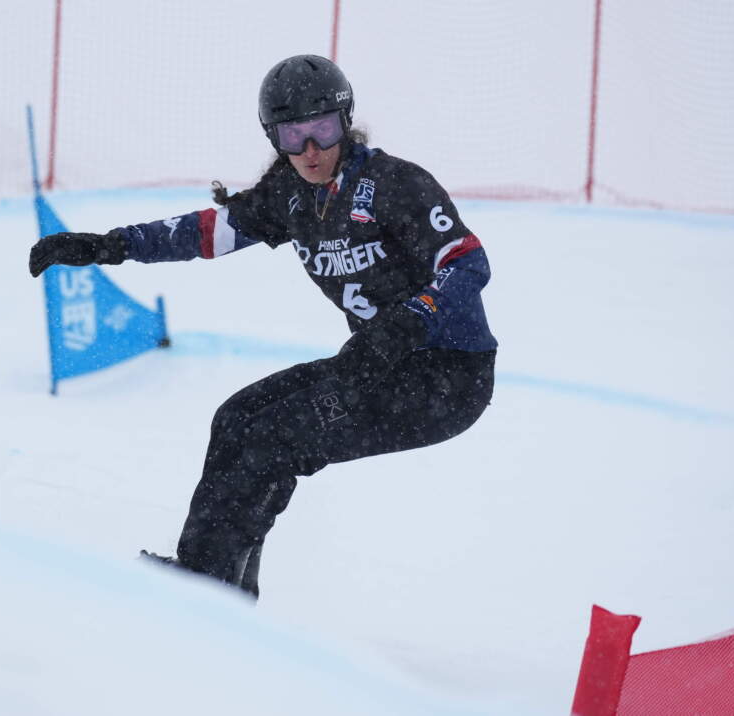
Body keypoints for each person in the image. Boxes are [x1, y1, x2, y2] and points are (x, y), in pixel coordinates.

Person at [28, 54, 497, 600]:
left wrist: (411, 322)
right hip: (376, 366)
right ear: (274, 137)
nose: (310, 151)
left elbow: (467, 263)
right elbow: (202, 233)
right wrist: (111, 246)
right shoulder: (290, 196)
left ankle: (209, 589)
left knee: (273, 438)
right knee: (238, 418)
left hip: (446, 380)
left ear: (345, 121)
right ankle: (218, 580)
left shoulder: (394, 184)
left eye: (321, 129)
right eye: (292, 135)